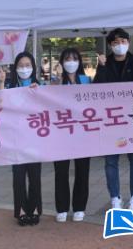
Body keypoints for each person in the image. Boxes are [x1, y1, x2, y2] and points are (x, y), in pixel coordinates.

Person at [94, 28, 133, 213]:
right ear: (110, 45)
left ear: (128, 43)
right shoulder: (105, 63)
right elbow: (96, 90)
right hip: (111, 120)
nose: (120, 45)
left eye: (123, 41)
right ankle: (115, 198)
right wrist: (101, 67)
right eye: (115, 42)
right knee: (111, 162)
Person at [1, 52, 42, 226]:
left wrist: (39, 92)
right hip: (15, 139)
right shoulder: (10, 86)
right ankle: (22, 210)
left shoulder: (39, 86)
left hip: (34, 139)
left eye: (27, 65)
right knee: (18, 177)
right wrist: (1, 82)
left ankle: (34, 209)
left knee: (35, 176)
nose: (24, 69)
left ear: (33, 67)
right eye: (21, 65)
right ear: (15, 68)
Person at [53, 47, 92, 223]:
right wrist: (58, 78)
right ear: (61, 62)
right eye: (67, 59)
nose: (71, 62)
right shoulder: (56, 80)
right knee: (61, 171)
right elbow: (50, 99)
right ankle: (61, 207)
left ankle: (79, 207)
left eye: (74, 59)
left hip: (83, 133)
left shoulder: (86, 80)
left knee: (82, 171)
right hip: (61, 133)